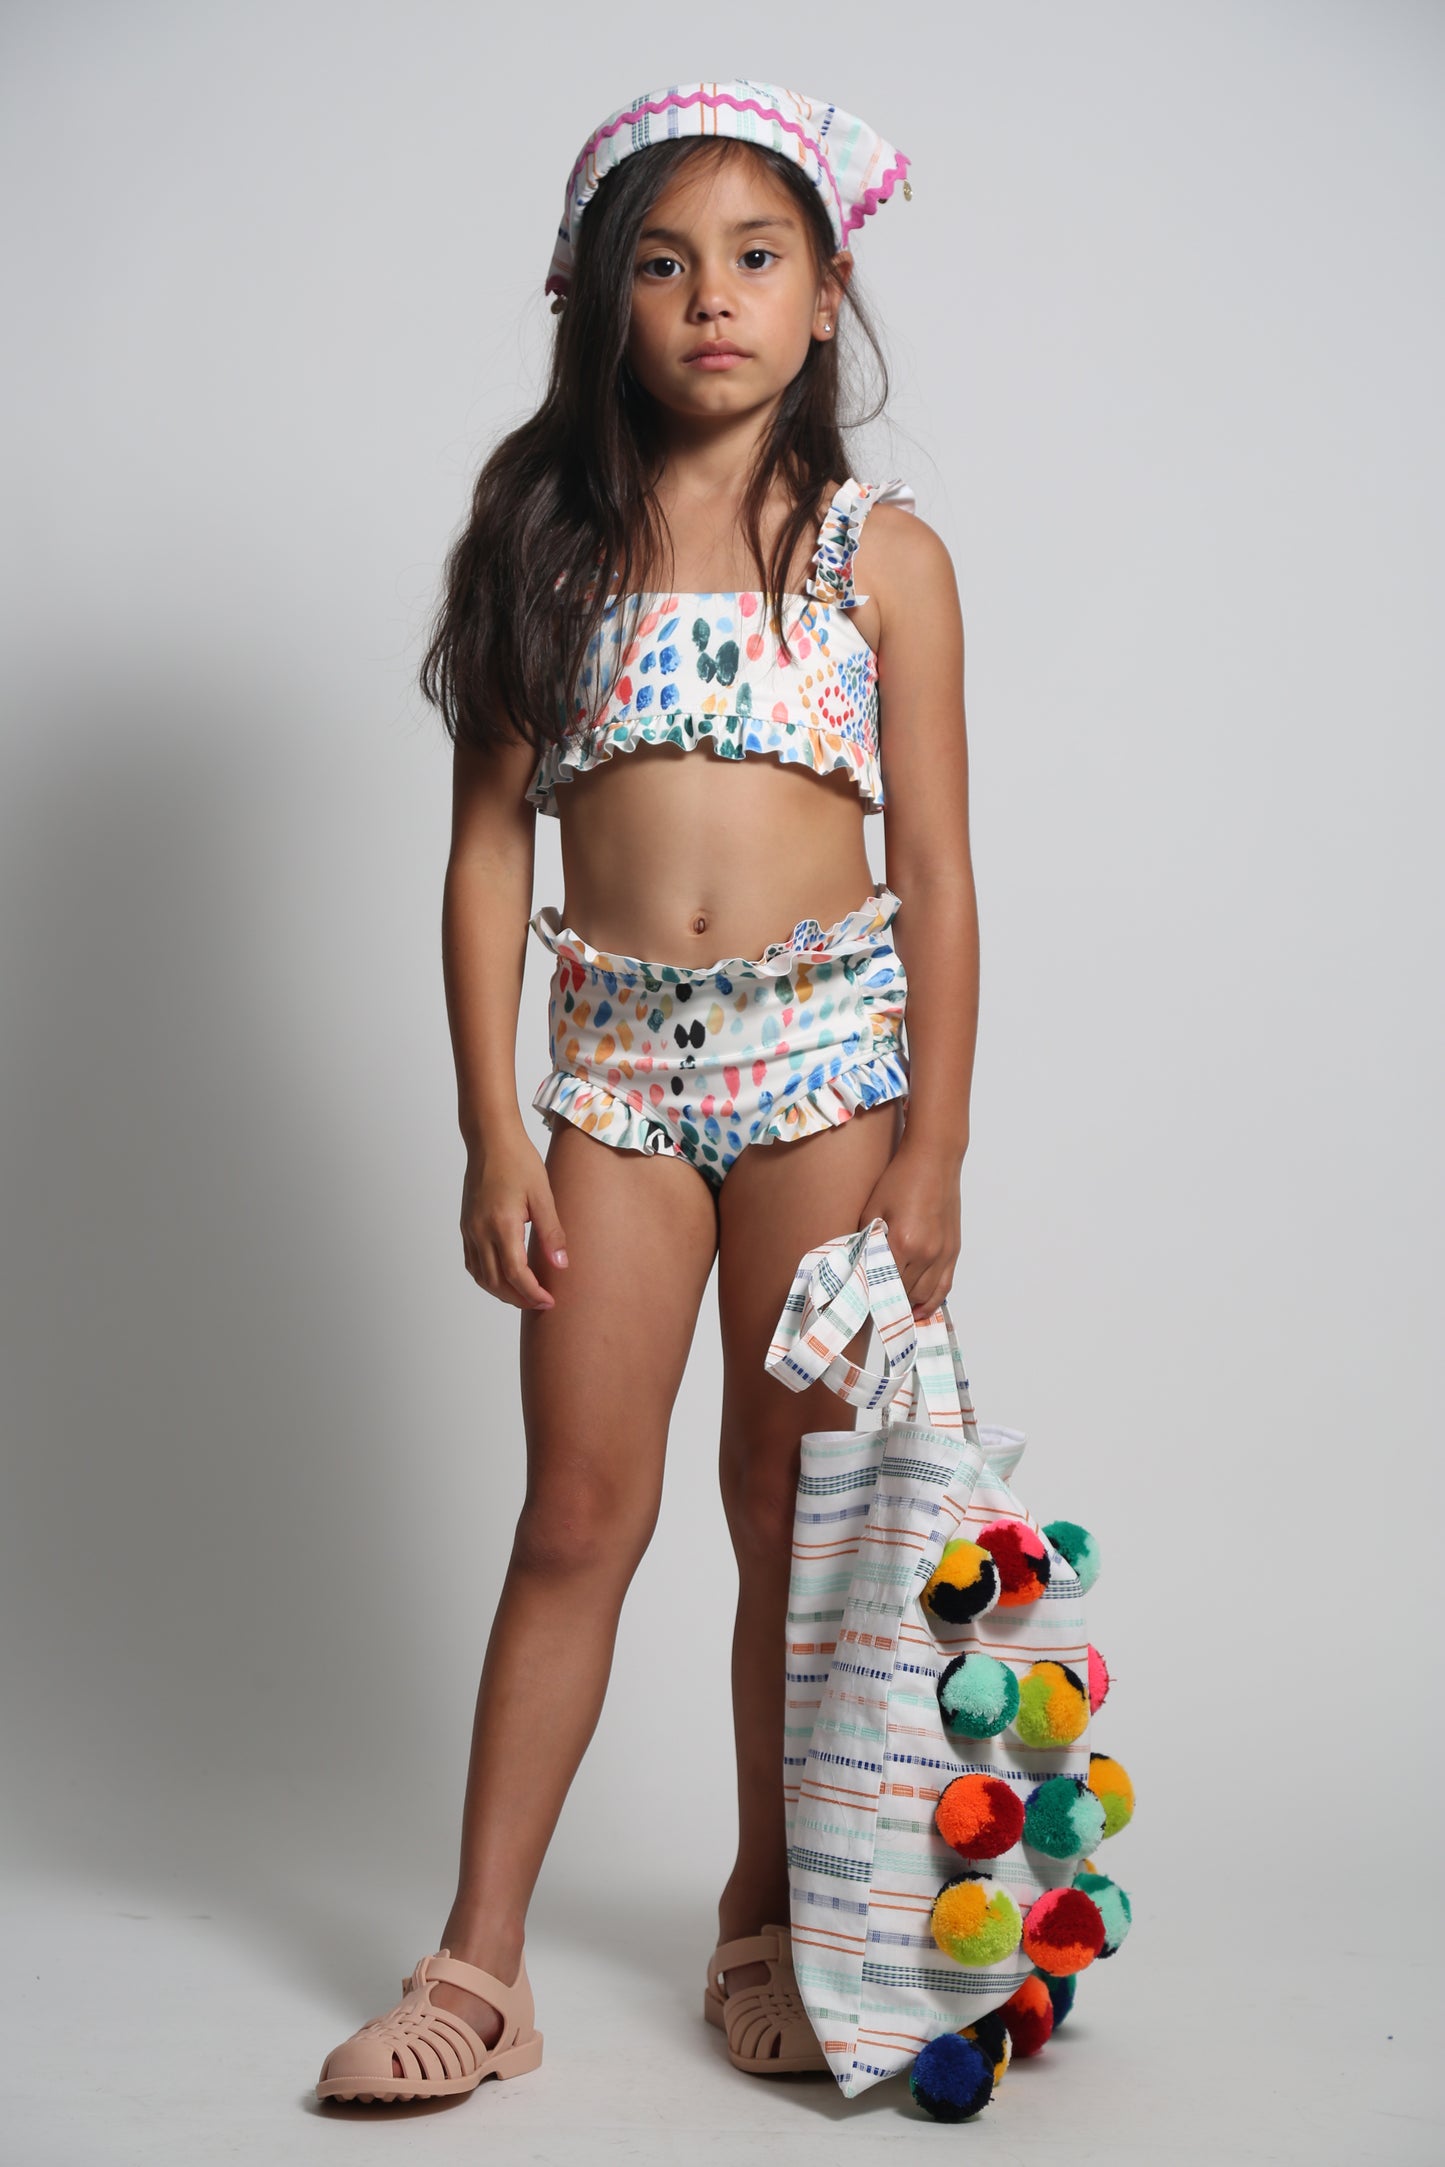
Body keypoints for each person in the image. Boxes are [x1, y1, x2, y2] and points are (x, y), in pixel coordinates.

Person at [316, 77, 978, 2106]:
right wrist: (489, 1123)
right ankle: (479, 1964)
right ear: (598, 299)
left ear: (823, 289)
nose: (712, 299)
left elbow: (940, 867)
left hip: (824, 1077)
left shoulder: (882, 558)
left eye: (755, 259)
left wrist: (934, 1150)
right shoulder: (550, 547)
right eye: (666, 265)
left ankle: (761, 1917)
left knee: (788, 1514)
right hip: (613, 1084)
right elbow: (484, 857)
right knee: (576, 1513)